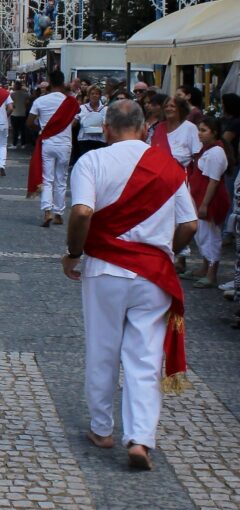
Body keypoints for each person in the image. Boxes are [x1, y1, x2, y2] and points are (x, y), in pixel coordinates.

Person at [62, 99, 197, 471]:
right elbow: (189, 224)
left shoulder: (92, 161)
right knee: (145, 356)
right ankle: (140, 438)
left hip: (105, 267)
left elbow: (83, 211)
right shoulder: (169, 167)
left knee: (103, 346)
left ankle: (102, 428)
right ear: (143, 128)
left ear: (105, 128)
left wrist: (74, 251)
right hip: (153, 272)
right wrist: (167, 250)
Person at [28, 70, 79, 227]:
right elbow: (75, 121)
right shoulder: (71, 102)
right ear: (63, 82)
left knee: (47, 179)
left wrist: (42, 130)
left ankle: (47, 211)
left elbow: (29, 122)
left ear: (49, 81)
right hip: (64, 143)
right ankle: (58, 213)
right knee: (61, 179)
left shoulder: (41, 101)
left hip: (47, 142)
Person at [186, 117, 232, 288]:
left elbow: (213, 181)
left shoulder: (216, 152)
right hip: (199, 199)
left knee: (210, 236)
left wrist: (205, 205)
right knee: (202, 235)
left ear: (214, 133)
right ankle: (204, 268)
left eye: (204, 130)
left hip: (209, 202)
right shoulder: (207, 150)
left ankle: (212, 273)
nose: (200, 133)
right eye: (199, 129)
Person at [74, 85, 107, 162]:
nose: (94, 95)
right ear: (88, 96)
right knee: (86, 161)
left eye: (97, 93)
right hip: (85, 139)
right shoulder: (82, 108)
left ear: (100, 96)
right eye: (92, 94)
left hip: (100, 140)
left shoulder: (105, 109)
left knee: (98, 162)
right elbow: (74, 122)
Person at [10, 81, 29, 149]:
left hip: (14, 114)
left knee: (15, 130)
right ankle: (23, 144)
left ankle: (14, 144)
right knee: (23, 130)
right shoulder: (25, 94)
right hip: (23, 114)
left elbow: (11, 104)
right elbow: (27, 103)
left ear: (15, 86)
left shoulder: (12, 94)